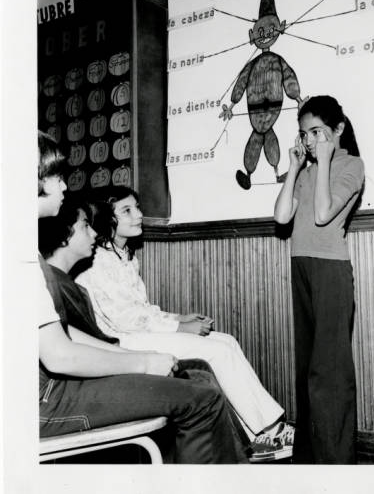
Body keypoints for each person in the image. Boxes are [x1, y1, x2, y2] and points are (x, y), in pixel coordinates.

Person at [37, 131, 247, 464]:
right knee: (202, 400)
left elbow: (63, 334)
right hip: (45, 403)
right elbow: (60, 357)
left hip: (50, 393)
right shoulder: (27, 263)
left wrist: (143, 353)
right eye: (56, 176)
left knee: (200, 380)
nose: (65, 185)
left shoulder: (33, 262)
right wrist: (143, 361)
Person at [74, 185, 294, 461]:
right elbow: (126, 319)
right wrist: (179, 328)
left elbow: (141, 309)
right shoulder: (98, 260)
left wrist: (179, 318)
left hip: (135, 332)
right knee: (218, 351)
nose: (138, 215)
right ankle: (268, 431)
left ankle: (260, 436)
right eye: (127, 210)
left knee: (226, 341)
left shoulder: (125, 255)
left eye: (138, 208)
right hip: (119, 342)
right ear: (108, 218)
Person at [274, 95, 365, 464]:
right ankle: (309, 460)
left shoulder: (351, 165)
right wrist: (295, 168)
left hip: (330, 271)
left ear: (338, 130)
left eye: (317, 132)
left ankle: (337, 462)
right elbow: (282, 218)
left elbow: (325, 213)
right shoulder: (308, 169)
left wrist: (325, 160)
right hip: (302, 267)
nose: (310, 141)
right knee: (307, 370)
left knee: (329, 373)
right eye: (304, 134)